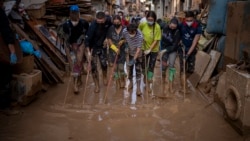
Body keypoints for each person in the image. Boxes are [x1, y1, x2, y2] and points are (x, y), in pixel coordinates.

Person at [62, 5, 89, 93]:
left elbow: (86, 35)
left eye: (75, 13)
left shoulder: (84, 23)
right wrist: (70, 46)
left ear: (78, 13)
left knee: (79, 62)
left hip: (80, 44)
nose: (74, 15)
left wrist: (86, 47)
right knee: (74, 65)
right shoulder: (66, 25)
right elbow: (65, 38)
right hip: (70, 46)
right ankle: (75, 84)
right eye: (73, 13)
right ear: (70, 14)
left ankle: (79, 77)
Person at [85, 11, 112, 93]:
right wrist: (88, 52)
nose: (100, 23)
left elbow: (111, 29)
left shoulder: (108, 21)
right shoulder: (92, 26)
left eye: (102, 21)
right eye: (98, 21)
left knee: (104, 64)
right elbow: (87, 40)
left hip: (102, 46)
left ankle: (104, 76)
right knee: (94, 67)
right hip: (93, 47)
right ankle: (96, 85)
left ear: (104, 19)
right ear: (96, 19)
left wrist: (107, 38)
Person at [138, 11, 161, 93]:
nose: (150, 21)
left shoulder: (157, 27)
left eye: (152, 20)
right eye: (148, 19)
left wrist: (150, 49)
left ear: (154, 20)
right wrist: (141, 36)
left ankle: (148, 84)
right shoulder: (143, 24)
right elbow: (138, 31)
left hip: (153, 50)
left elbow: (156, 40)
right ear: (146, 18)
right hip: (144, 48)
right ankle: (145, 75)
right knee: (143, 65)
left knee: (151, 66)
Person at [178, 11, 202, 89]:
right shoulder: (182, 24)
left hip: (191, 50)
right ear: (185, 19)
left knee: (191, 69)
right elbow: (177, 33)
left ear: (193, 19)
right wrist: (179, 41)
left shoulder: (197, 26)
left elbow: (194, 42)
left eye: (190, 20)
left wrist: (187, 54)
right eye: (187, 20)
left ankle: (185, 79)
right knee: (183, 68)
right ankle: (183, 86)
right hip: (182, 48)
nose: (189, 22)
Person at [0, 4, 17, 110]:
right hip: (2, 52)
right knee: (4, 78)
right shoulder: (0, 14)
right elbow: (6, 33)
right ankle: (5, 107)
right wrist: (13, 53)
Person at [159, 18, 181, 94]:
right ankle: (163, 80)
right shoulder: (164, 26)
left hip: (172, 50)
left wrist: (165, 50)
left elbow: (175, 46)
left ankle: (171, 84)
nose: (172, 28)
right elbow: (157, 24)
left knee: (171, 65)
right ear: (169, 24)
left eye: (174, 27)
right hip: (164, 48)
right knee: (164, 66)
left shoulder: (177, 32)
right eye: (171, 27)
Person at [123, 23, 143, 95]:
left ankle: (138, 88)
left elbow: (138, 50)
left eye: (133, 32)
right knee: (130, 69)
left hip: (138, 54)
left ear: (136, 30)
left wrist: (134, 60)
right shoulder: (125, 31)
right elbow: (124, 38)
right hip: (129, 53)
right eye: (130, 33)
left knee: (138, 70)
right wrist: (126, 45)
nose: (131, 34)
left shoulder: (140, 35)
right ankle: (130, 82)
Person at [107, 15, 126, 89]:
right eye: (115, 22)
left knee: (121, 67)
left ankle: (122, 80)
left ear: (120, 21)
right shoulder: (110, 29)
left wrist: (123, 41)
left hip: (122, 50)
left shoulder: (124, 29)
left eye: (118, 22)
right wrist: (115, 49)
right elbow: (109, 40)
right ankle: (117, 81)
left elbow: (126, 37)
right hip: (113, 51)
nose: (116, 24)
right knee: (114, 68)